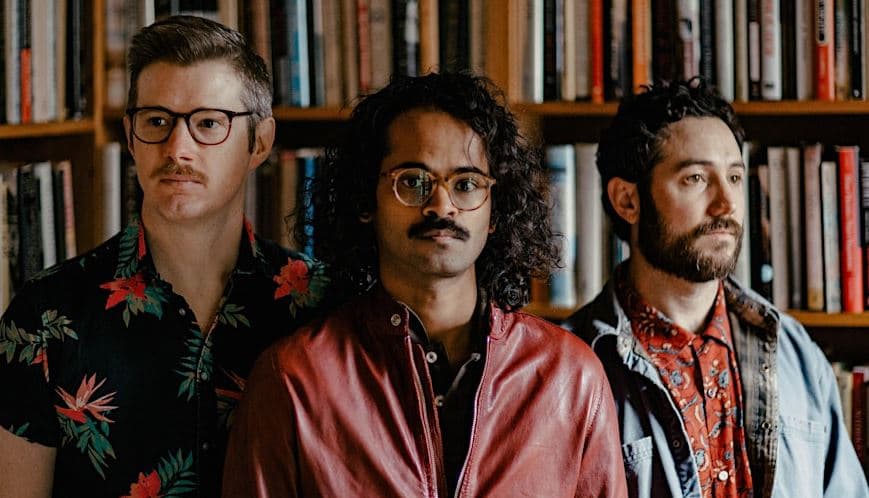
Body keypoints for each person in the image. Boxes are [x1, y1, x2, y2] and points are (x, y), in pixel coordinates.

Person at [222, 72, 628, 497]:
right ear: (365, 201)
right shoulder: (294, 380)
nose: (442, 205)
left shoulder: (571, 377)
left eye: (467, 184)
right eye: (413, 181)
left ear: (494, 212)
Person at [0, 16, 328, 498]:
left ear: (259, 141)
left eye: (209, 123)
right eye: (157, 121)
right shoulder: (44, 318)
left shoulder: (321, 305)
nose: (179, 148)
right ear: (131, 136)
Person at [563, 79, 868, 498]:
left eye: (735, 177)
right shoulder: (568, 370)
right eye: (695, 179)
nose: (727, 204)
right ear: (627, 201)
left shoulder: (797, 354)